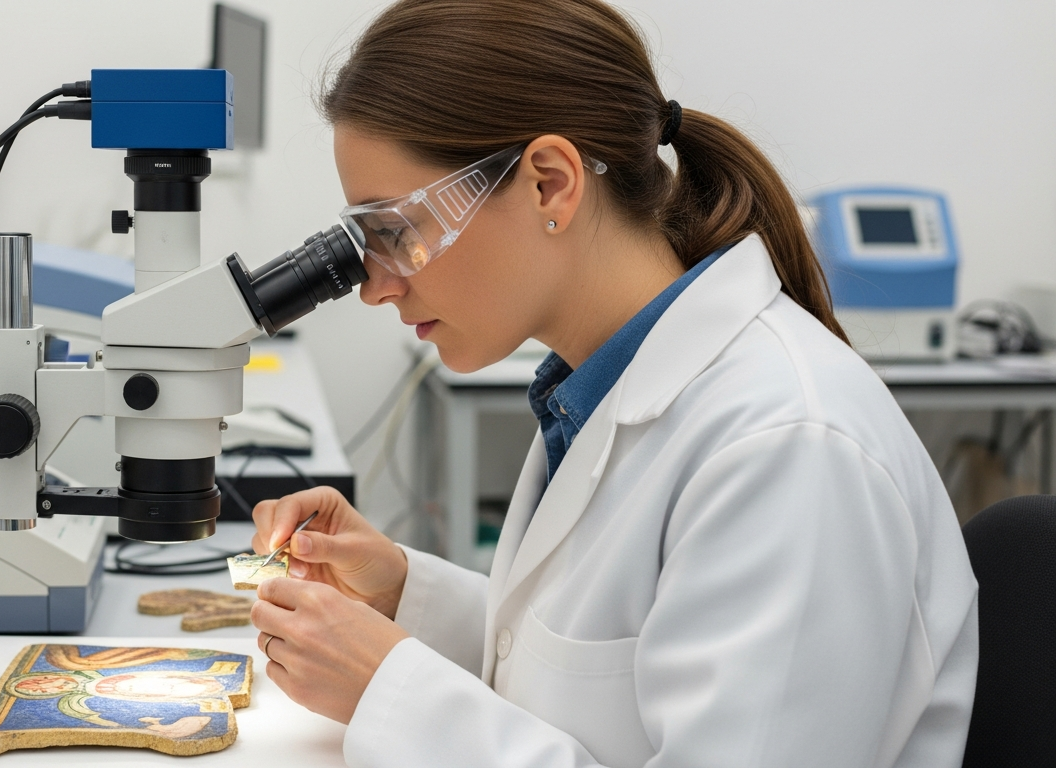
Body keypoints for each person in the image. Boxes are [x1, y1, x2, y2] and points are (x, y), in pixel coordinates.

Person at [247, 1, 979, 766]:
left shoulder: (790, 447)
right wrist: (402, 594)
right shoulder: (593, 392)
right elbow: (599, 677)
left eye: (397, 233)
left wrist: (388, 690)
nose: (375, 287)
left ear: (550, 185)